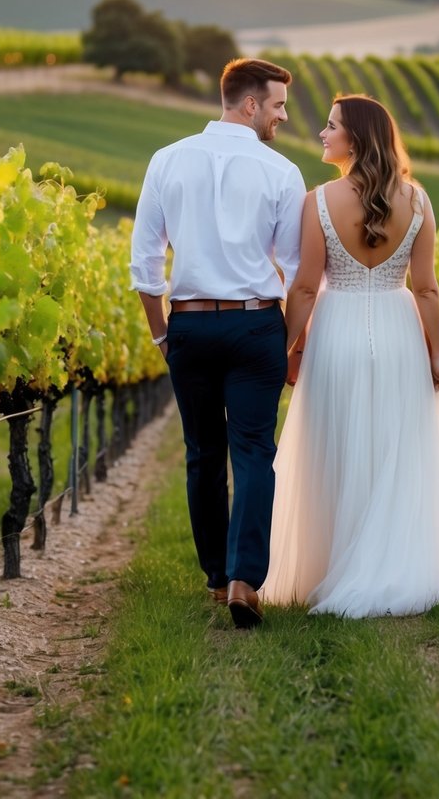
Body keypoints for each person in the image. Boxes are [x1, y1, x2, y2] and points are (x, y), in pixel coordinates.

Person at [262, 95, 439, 618]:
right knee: (396, 449)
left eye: (331, 126)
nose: (322, 133)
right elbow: (428, 290)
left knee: (335, 445)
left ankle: (333, 565)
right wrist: (436, 355)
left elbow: (302, 289)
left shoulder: (319, 201)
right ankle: (393, 564)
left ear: (356, 140)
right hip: (398, 331)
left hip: (336, 329)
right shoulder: (417, 201)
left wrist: (287, 347)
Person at [130, 58, 305, 628]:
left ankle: (214, 576)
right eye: (277, 105)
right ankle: (243, 579)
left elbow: (145, 262)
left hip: (189, 324)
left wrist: (161, 331)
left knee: (202, 451)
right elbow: (298, 268)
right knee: (253, 449)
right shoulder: (281, 172)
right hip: (256, 325)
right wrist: (295, 340)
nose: (282, 116)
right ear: (250, 104)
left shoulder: (166, 160)